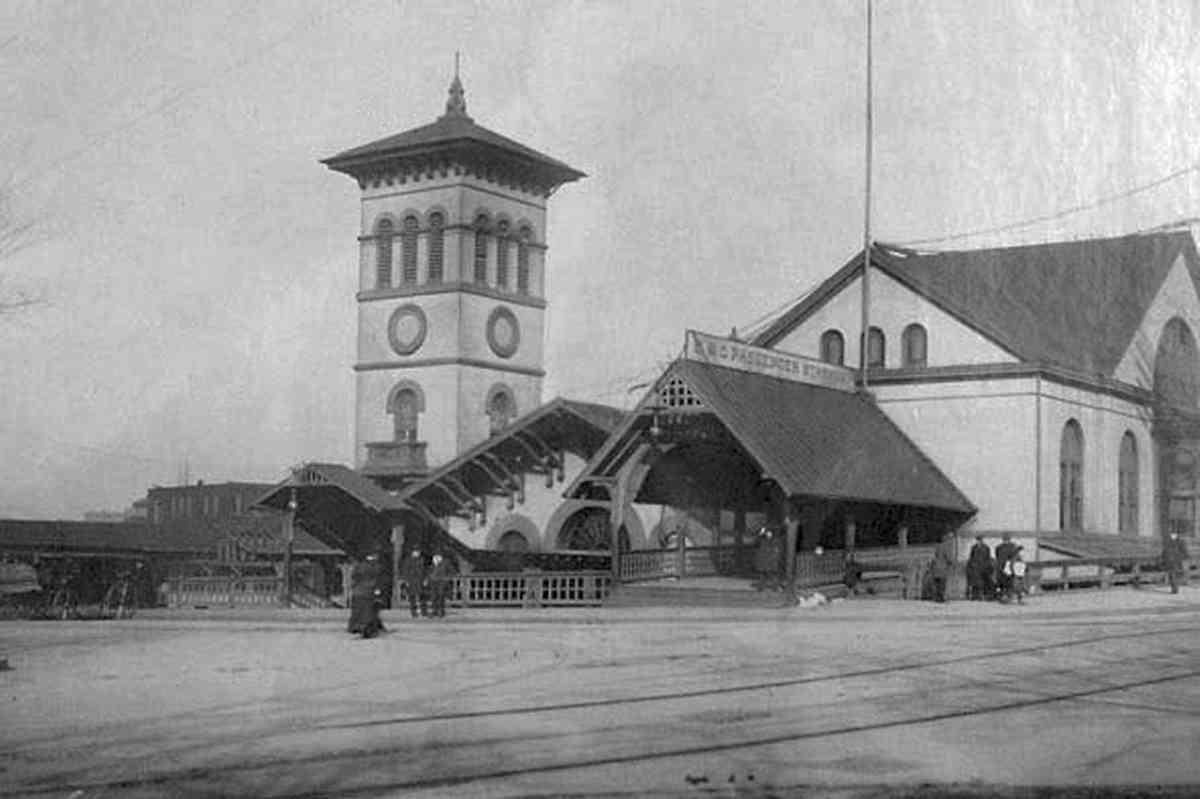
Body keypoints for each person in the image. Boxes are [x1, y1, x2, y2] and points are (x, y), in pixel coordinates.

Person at [347, 553, 383, 638]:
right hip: (364, 592)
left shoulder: (373, 567)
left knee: (366, 609)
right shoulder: (365, 567)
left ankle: (359, 625)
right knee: (366, 610)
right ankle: (362, 626)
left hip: (364, 592)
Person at [426, 551, 456, 618]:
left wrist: (446, 579)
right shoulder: (432, 562)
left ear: (441, 556)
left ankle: (441, 612)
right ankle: (434, 611)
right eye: (435, 555)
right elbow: (429, 571)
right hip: (433, 582)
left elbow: (453, 572)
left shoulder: (446, 562)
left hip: (441, 582)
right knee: (433, 597)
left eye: (438, 555)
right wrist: (429, 578)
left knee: (440, 597)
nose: (436, 557)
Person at [400, 548, 428, 617]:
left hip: (420, 580)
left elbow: (425, 570)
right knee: (412, 598)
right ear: (413, 552)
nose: (418, 553)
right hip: (411, 580)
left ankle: (424, 612)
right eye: (416, 552)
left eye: (418, 552)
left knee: (422, 597)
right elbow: (405, 571)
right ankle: (414, 612)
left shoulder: (422, 559)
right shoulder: (408, 560)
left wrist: (425, 579)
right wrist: (406, 580)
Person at [928, 533, 955, 603]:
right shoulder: (944, 547)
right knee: (942, 584)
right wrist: (951, 563)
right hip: (942, 568)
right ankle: (941, 598)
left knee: (936, 584)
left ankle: (936, 597)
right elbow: (948, 557)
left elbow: (932, 558)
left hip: (935, 568)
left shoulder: (935, 547)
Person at [966, 536, 993, 601]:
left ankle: (983, 596)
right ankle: (975, 596)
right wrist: (971, 565)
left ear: (982, 540)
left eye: (980, 540)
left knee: (983, 582)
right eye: (978, 540)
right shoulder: (974, 547)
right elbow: (971, 557)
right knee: (975, 582)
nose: (979, 541)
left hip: (983, 567)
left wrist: (988, 566)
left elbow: (988, 557)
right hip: (976, 567)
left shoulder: (986, 548)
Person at [753, 526, 780, 591]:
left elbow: (776, 551)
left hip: (771, 561)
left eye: (769, 533)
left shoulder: (775, 541)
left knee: (772, 575)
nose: (768, 534)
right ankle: (760, 588)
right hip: (763, 561)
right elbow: (755, 543)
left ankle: (775, 588)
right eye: (767, 533)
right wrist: (761, 533)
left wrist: (774, 560)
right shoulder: (762, 540)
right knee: (762, 575)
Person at [994, 533, 1019, 601]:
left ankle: (1010, 595)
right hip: (1001, 567)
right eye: (1005, 539)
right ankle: (1002, 596)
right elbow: (997, 556)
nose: (1006, 541)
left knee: (1010, 582)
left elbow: (1015, 556)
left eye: (1007, 539)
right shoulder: (999, 547)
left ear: (1009, 540)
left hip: (1009, 567)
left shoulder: (1013, 547)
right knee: (1002, 582)